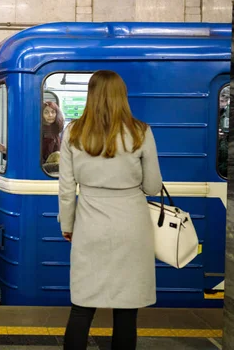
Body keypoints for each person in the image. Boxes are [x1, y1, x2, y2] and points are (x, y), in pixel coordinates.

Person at [58, 70, 162, 350]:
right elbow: (153, 187)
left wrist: (67, 226)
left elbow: (67, 188)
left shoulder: (72, 133)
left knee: (82, 305)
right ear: (122, 95)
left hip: (90, 225)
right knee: (127, 310)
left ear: (90, 95)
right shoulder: (142, 132)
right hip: (131, 226)